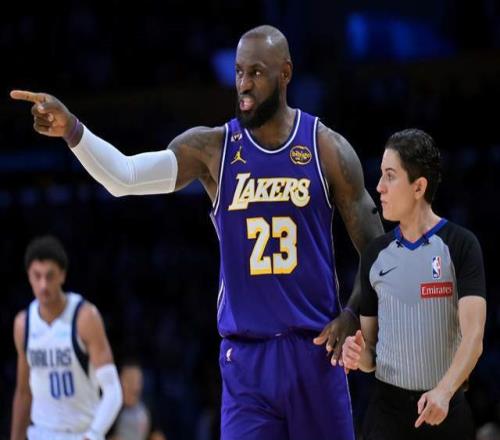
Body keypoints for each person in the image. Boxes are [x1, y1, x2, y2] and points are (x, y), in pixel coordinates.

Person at [11, 25, 383, 440]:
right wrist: (73, 131)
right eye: (239, 72)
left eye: (256, 73)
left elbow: (377, 249)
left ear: (285, 74)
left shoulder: (324, 147)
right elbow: (124, 177)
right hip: (246, 361)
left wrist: (353, 313)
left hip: (314, 353)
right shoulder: (213, 149)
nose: (243, 84)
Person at [341, 129, 487, 440]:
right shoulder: (374, 254)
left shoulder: (461, 245)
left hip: (446, 411)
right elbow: (370, 356)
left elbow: (474, 338)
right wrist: (356, 353)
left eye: (390, 176)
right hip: (386, 417)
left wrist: (443, 392)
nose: (379, 187)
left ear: (419, 186)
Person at [10, 235, 123, 440]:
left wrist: (94, 434)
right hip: (40, 432)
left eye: (50, 276)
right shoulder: (23, 324)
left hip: (81, 433)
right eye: (37, 276)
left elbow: (113, 390)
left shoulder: (85, 317)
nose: (43, 285)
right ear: (29, 276)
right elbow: (23, 392)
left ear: (62, 275)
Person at [109, 361, 167, 440]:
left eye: (138, 380)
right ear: (119, 381)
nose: (134, 385)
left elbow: (157, 435)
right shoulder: (109, 409)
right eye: (130, 380)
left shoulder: (147, 408)